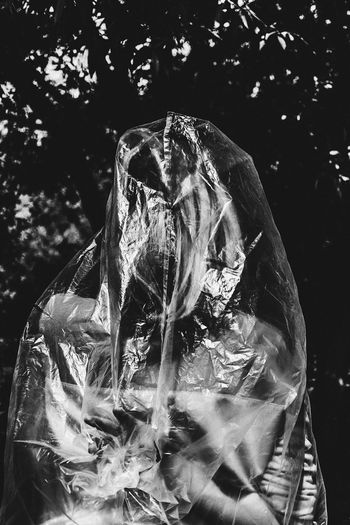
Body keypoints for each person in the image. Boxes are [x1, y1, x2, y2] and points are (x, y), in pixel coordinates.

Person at [0, 112, 327, 524]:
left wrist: (179, 478)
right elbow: (41, 480)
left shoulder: (250, 353)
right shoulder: (70, 329)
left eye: (175, 221)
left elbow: (284, 505)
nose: (163, 239)